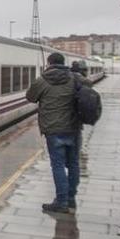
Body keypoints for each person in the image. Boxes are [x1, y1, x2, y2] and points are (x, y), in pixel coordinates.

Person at [25, 52, 91, 213]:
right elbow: (88, 86)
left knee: (58, 165)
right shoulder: (74, 78)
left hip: (53, 130)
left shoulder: (43, 80)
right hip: (74, 128)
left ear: (49, 63)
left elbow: (30, 97)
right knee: (74, 163)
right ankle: (70, 199)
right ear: (64, 63)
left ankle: (61, 202)